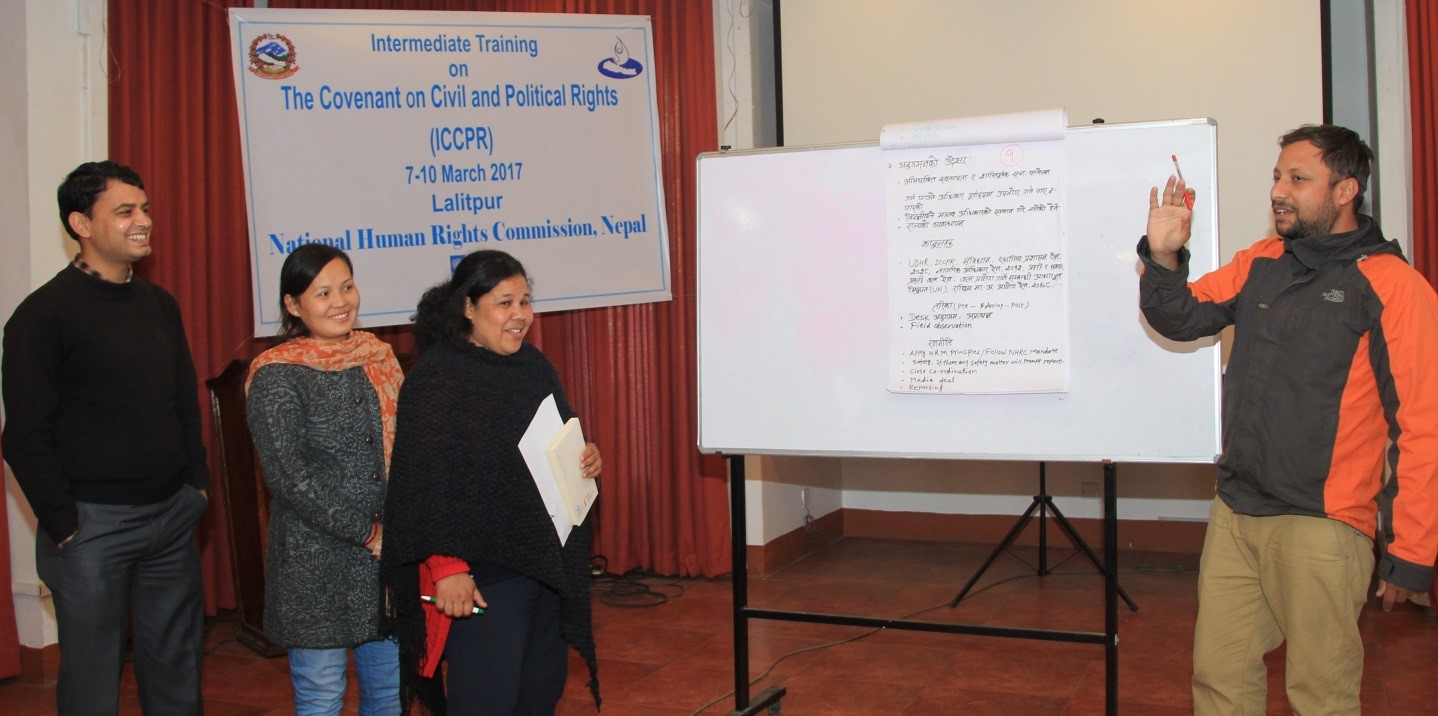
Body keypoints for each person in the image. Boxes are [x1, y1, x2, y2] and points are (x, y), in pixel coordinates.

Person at [1138, 124, 1438, 713]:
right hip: (1236, 514)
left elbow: (1423, 426)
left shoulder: (1394, 286)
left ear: (1346, 190)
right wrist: (1166, 255)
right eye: (1278, 176)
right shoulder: (1264, 261)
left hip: (1323, 525)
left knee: (1319, 697)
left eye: (1298, 179)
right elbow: (1182, 315)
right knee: (1219, 684)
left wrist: (1414, 550)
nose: (1279, 190)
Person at [1, 160, 209, 714]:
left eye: (144, 208)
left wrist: (196, 488)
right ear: (81, 223)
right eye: (125, 211)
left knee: (177, 672)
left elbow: (183, 405)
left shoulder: (160, 306)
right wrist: (66, 525)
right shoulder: (42, 315)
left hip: (171, 518)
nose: (143, 220)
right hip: (91, 530)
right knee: (92, 685)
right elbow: (23, 435)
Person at [382, 249, 603, 715]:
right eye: (505, 303)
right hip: (483, 578)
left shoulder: (534, 368)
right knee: (486, 700)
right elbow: (423, 485)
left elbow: (559, 441)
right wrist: (447, 569)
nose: (520, 315)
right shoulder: (437, 378)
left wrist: (587, 456)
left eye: (525, 301)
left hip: (544, 566)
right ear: (468, 307)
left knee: (540, 692)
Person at [245, 244, 404, 715]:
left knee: (389, 694)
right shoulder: (278, 376)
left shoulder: (375, 357)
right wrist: (368, 533)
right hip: (313, 566)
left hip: (380, 565)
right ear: (294, 305)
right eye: (323, 292)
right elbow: (290, 478)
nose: (341, 301)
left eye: (347, 286)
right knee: (321, 696)